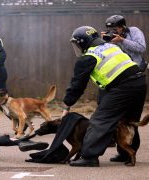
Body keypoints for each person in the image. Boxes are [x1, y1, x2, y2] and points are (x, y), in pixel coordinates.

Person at [61, 26, 146, 167]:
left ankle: (89, 157)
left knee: (100, 121)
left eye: (77, 43)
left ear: (82, 42)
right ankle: (126, 154)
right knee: (128, 121)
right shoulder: (111, 47)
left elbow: (77, 85)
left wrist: (67, 105)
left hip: (123, 87)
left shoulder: (88, 57)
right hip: (139, 83)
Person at [102, 15, 147, 160]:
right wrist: (103, 42)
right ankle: (122, 152)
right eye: (110, 29)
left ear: (123, 26)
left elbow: (141, 48)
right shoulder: (111, 39)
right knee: (119, 119)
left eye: (115, 29)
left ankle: (130, 152)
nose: (113, 32)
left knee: (131, 118)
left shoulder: (134, 32)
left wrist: (122, 40)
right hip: (120, 79)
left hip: (136, 76)